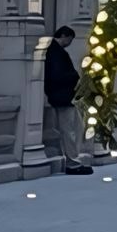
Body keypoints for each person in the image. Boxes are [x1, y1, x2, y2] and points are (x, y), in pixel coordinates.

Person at [42, 25, 87, 172]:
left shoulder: (56, 51)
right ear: (64, 36)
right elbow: (56, 76)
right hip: (62, 96)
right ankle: (73, 163)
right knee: (69, 130)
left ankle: (74, 160)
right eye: (69, 39)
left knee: (75, 128)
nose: (70, 43)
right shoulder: (56, 52)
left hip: (63, 96)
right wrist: (74, 77)